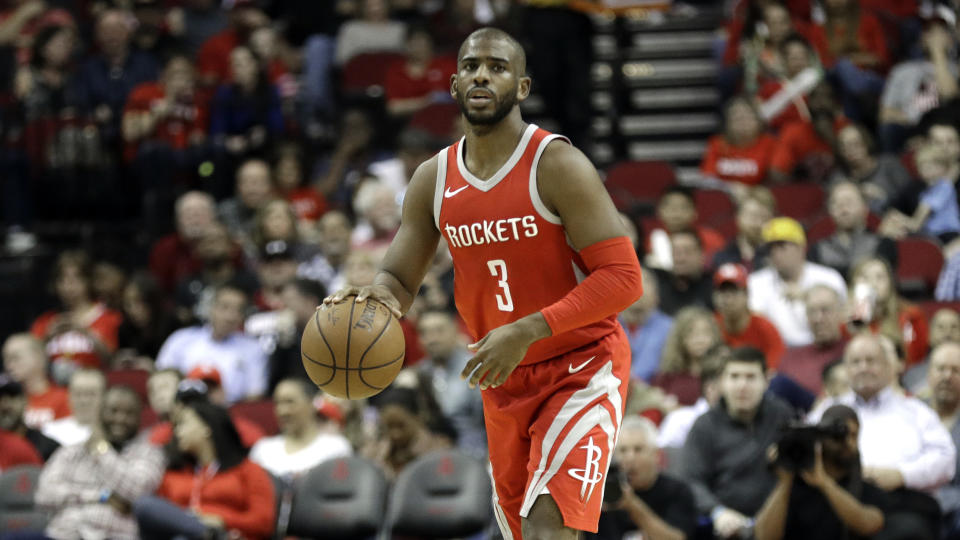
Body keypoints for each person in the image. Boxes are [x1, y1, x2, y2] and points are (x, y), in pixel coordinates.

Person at [324, 28, 644, 539]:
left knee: (549, 530)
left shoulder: (556, 164)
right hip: (503, 380)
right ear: (453, 85)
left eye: (497, 67)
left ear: (522, 87)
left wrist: (528, 329)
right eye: (472, 66)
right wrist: (377, 301)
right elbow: (399, 277)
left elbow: (625, 279)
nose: (481, 75)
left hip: (580, 368)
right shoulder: (433, 178)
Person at [809, 334, 955, 493]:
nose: (863, 368)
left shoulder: (916, 411)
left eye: (871, 361)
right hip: (838, 497)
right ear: (847, 369)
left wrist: (902, 475)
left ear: (888, 366)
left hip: (902, 499)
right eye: (856, 362)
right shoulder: (828, 409)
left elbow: (945, 458)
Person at [680, 347, 794, 539]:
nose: (742, 385)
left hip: (780, 519)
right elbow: (692, 481)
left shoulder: (782, 415)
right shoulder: (704, 426)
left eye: (750, 377)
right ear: (722, 382)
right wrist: (717, 511)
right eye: (734, 377)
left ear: (766, 381)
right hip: (725, 525)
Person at [36, 386, 166, 540]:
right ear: (101, 412)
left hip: (113, 535)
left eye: (129, 413)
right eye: (113, 411)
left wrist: (101, 450)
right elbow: (44, 496)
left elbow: (137, 492)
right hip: (64, 533)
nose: (120, 419)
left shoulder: (149, 453)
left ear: (139, 418)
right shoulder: (72, 452)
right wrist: (101, 496)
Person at [138, 397, 276, 540]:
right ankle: (209, 533)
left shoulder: (248, 469)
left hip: (234, 535)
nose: (177, 432)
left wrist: (222, 520)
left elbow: (263, 521)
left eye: (183, 424)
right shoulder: (174, 472)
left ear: (206, 427)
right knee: (144, 505)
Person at [753, 404, 886, 540]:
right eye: (839, 436)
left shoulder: (863, 486)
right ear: (821, 436)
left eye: (853, 435)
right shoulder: (795, 486)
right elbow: (763, 536)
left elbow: (870, 525)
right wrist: (785, 482)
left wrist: (824, 483)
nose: (848, 442)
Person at [588, 416, 697, 540]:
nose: (630, 458)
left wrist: (632, 504)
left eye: (638, 449)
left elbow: (676, 538)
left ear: (656, 455)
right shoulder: (603, 490)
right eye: (623, 450)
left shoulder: (678, 491)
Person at [157, 283, 268, 403]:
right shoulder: (181, 339)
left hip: (230, 413)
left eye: (238, 310)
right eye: (225, 307)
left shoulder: (253, 349)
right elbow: (160, 378)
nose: (230, 316)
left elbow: (255, 395)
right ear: (211, 308)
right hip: (183, 407)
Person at [748, 217, 847, 347]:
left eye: (782, 246)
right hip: (780, 353)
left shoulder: (829, 277)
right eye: (770, 248)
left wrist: (806, 297)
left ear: (801, 247)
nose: (775, 253)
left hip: (825, 347)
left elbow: (843, 320)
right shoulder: (756, 282)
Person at [30, 250, 123, 377]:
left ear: (89, 281)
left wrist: (84, 331)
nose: (69, 286)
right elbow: (29, 360)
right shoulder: (45, 321)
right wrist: (47, 338)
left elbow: (113, 360)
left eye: (76, 278)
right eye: (62, 279)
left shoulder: (109, 318)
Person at [416, 308, 487, 457]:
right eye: (425, 333)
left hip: (473, 452)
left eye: (439, 331)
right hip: (430, 455)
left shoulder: (475, 368)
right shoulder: (420, 372)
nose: (432, 339)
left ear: (455, 332)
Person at [250, 378, 352, 478]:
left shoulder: (335, 448)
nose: (282, 411)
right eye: (277, 403)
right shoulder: (263, 449)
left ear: (311, 403)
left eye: (290, 402)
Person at [849, 257, 930, 368]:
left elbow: (916, 360)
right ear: (854, 284)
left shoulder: (911, 315)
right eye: (865, 277)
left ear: (890, 283)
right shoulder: (843, 318)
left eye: (879, 277)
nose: (873, 283)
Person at [809, 181, 897, 278]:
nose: (844, 209)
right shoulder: (817, 250)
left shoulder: (883, 244)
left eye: (849, 202)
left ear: (865, 207)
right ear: (830, 210)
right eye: (837, 203)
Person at [779, 285, 850, 395]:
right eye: (811, 312)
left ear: (841, 312)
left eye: (825, 310)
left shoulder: (854, 353)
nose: (818, 319)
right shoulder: (791, 358)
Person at [713, 263, 785, 369]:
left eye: (734, 292)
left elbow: (775, 368)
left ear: (747, 295)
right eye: (723, 292)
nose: (727, 299)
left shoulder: (765, 328)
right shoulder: (711, 326)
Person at [828, 123, 912, 214]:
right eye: (844, 146)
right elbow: (833, 212)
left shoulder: (889, 164)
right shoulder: (838, 180)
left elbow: (910, 198)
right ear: (840, 152)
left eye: (856, 143)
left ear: (866, 142)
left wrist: (884, 197)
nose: (851, 149)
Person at [657, 346, 728, 450]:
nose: (741, 385)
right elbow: (663, 462)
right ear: (710, 387)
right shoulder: (680, 421)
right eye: (733, 378)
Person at [700, 96, 777, 188]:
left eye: (747, 117)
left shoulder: (769, 143)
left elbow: (777, 178)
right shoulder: (717, 143)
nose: (742, 123)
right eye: (737, 118)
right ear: (727, 123)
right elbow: (708, 179)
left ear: (758, 121)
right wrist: (732, 189)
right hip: (723, 197)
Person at [652, 307, 722, 407]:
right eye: (692, 333)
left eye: (706, 333)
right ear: (680, 338)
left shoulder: (722, 370)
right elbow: (657, 400)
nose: (700, 340)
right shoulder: (668, 375)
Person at [924, 342, 960, 536]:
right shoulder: (911, 414)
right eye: (941, 369)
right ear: (929, 375)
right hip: (913, 505)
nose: (947, 376)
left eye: (956, 370)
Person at [645, 186, 726, 270]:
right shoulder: (651, 241)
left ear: (695, 212)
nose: (676, 213)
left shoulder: (712, 239)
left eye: (683, 207)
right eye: (670, 207)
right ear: (659, 211)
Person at [2, 333, 70, 429]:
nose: (8, 366)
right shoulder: (4, 402)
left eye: (15, 358)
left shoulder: (65, 399)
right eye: (6, 359)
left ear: (39, 357)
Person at [620, 267, 673, 382]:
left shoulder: (669, 328)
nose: (638, 299)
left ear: (656, 296)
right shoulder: (609, 324)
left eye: (643, 292)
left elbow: (645, 369)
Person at [712, 186, 775, 271]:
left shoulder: (777, 257)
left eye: (765, 218)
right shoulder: (722, 257)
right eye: (753, 217)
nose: (758, 223)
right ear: (738, 217)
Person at [653, 230, 715, 316]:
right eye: (676, 252)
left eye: (687, 252)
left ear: (702, 255)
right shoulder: (658, 287)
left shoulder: (714, 287)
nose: (680, 259)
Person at [0, 374, 59, 461]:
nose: (5, 405)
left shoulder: (48, 448)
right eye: (0, 399)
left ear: (26, 401)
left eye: (12, 396)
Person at [42, 369, 106, 447]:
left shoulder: (111, 434)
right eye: (78, 394)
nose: (84, 400)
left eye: (91, 394)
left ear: (103, 397)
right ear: (69, 396)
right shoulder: (50, 431)